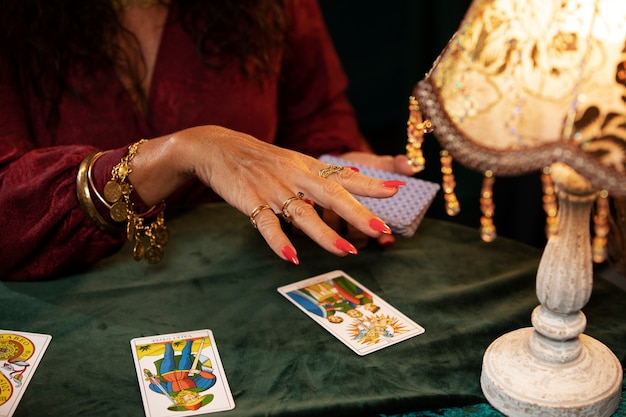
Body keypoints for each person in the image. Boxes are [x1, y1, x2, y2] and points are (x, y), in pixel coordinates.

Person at [0, 0, 417, 281]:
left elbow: (314, 115)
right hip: (70, 297)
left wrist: (333, 169)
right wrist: (186, 151)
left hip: (246, 278)